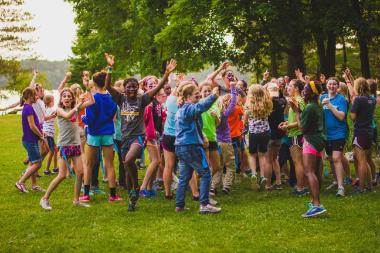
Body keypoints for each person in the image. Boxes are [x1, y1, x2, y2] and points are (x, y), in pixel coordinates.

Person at [106, 57, 177, 211]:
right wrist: (110, 68)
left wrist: (166, 74)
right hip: (124, 139)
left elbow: (157, 89)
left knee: (128, 160)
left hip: (138, 138)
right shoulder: (120, 99)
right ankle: (133, 195)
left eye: (134, 87)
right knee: (127, 170)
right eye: (128, 87)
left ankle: (137, 187)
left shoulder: (142, 100)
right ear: (124, 89)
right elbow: (107, 86)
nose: (131, 89)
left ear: (138, 88)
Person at [40, 88, 94, 210]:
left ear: (72, 98)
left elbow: (91, 102)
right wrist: (78, 105)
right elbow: (68, 115)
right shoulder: (59, 110)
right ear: (61, 99)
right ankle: (44, 199)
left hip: (75, 145)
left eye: (69, 96)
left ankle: (76, 200)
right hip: (64, 146)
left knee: (80, 173)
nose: (67, 98)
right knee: (62, 175)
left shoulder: (76, 108)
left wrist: (89, 89)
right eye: (64, 96)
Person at [80, 55, 122, 203]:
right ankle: (113, 195)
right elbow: (113, 114)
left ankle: (85, 194)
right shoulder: (112, 98)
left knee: (89, 164)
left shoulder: (93, 98)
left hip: (94, 133)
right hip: (108, 133)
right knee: (109, 164)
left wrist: (83, 119)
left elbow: (89, 119)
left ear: (94, 83)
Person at [174, 83, 221, 214]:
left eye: (199, 95)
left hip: (181, 146)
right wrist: (213, 96)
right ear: (188, 97)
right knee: (206, 174)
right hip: (191, 147)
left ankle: (179, 205)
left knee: (184, 177)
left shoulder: (181, 109)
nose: (199, 97)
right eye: (196, 96)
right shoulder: (189, 108)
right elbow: (200, 107)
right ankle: (204, 204)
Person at [289, 81, 326, 218]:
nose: (303, 91)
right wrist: (298, 110)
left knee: (309, 172)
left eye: (305, 89)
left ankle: (317, 205)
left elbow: (302, 128)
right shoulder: (317, 106)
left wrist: (297, 113)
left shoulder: (310, 107)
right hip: (319, 141)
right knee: (315, 172)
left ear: (311, 93)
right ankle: (315, 201)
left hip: (311, 141)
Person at [279, 79, 308, 195]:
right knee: (298, 162)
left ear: (296, 88)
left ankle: (300, 188)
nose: (288, 88)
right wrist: (286, 123)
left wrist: (288, 127)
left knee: (298, 162)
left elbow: (301, 121)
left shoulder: (298, 101)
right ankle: (302, 186)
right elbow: (295, 119)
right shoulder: (295, 100)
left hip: (296, 134)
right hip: (293, 133)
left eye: (290, 86)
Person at [320, 77, 348, 197]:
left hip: (339, 133)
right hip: (326, 134)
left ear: (338, 86)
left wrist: (330, 105)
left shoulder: (342, 99)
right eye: (330, 84)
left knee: (337, 158)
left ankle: (341, 187)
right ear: (326, 86)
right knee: (331, 159)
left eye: (334, 84)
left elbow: (342, 117)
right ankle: (336, 181)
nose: (332, 86)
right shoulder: (322, 97)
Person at [15, 88, 45, 193]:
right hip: (30, 140)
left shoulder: (29, 107)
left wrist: (41, 130)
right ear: (29, 96)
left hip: (31, 139)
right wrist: (41, 135)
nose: (37, 97)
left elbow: (35, 124)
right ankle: (20, 182)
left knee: (33, 162)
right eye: (35, 95)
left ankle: (34, 185)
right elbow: (32, 126)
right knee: (37, 163)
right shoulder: (28, 108)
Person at [350, 77, 376, 193]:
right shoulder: (372, 99)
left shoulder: (358, 100)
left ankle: (361, 188)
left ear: (357, 86)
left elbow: (353, 117)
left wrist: (352, 105)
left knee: (361, 161)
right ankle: (369, 186)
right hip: (369, 131)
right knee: (365, 160)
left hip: (360, 132)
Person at [245, 84, 273, 190]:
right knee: (262, 155)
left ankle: (253, 174)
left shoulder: (248, 106)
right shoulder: (267, 104)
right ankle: (262, 176)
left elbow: (245, 120)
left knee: (252, 155)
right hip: (265, 132)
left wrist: (245, 124)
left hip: (253, 133)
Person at [212, 82, 237, 194]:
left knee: (218, 166)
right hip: (226, 142)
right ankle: (226, 186)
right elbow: (233, 101)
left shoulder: (214, 114)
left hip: (216, 142)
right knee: (230, 165)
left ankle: (213, 186)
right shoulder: (225, 114)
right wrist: (232, 87)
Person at [267, 82, 286, 189]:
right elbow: (282, 96)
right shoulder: (283, 101)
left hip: (269, 134)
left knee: (268, 160)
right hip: (279, 134)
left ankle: (268, 183)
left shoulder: (267, 103)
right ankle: (278, 183)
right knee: (275, 159)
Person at [42, 94, 58, 175]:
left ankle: (55, 168)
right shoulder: (50, 109)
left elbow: (52, 116)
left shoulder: (48, 109)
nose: (54, 101)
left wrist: (53, 115)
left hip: (49, 134)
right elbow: (45, 118)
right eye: (53, 100)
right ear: (50, 102)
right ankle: (47, 169)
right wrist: (53, 115)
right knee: (52, 151)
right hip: (48, 133)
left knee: (55, 150)